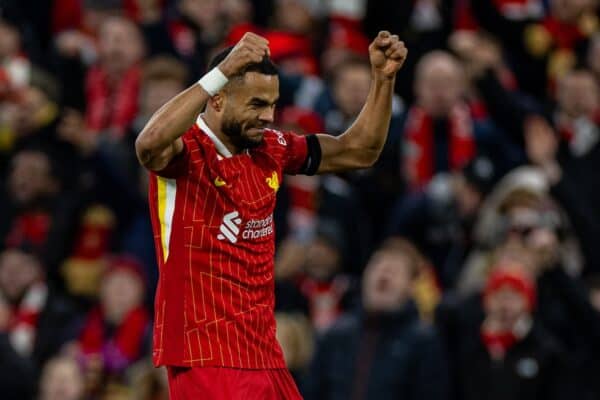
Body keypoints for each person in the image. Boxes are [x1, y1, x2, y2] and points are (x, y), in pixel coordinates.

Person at [135, 31, 407, 399]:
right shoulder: (186, 152)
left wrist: (383, 80)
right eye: (256, 104)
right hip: (204, 350)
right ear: (216, 100)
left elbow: (359, 151)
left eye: (273, 104)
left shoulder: (271, 148)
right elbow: (148, 144)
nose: (268, 116)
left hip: (263, 351)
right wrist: (223, 69)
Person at [303, 237, 449, 400]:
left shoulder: (423, 341)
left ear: (410, 286)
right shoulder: (337, 333)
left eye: (394, 270)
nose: (384, 272)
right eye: (377, 265)